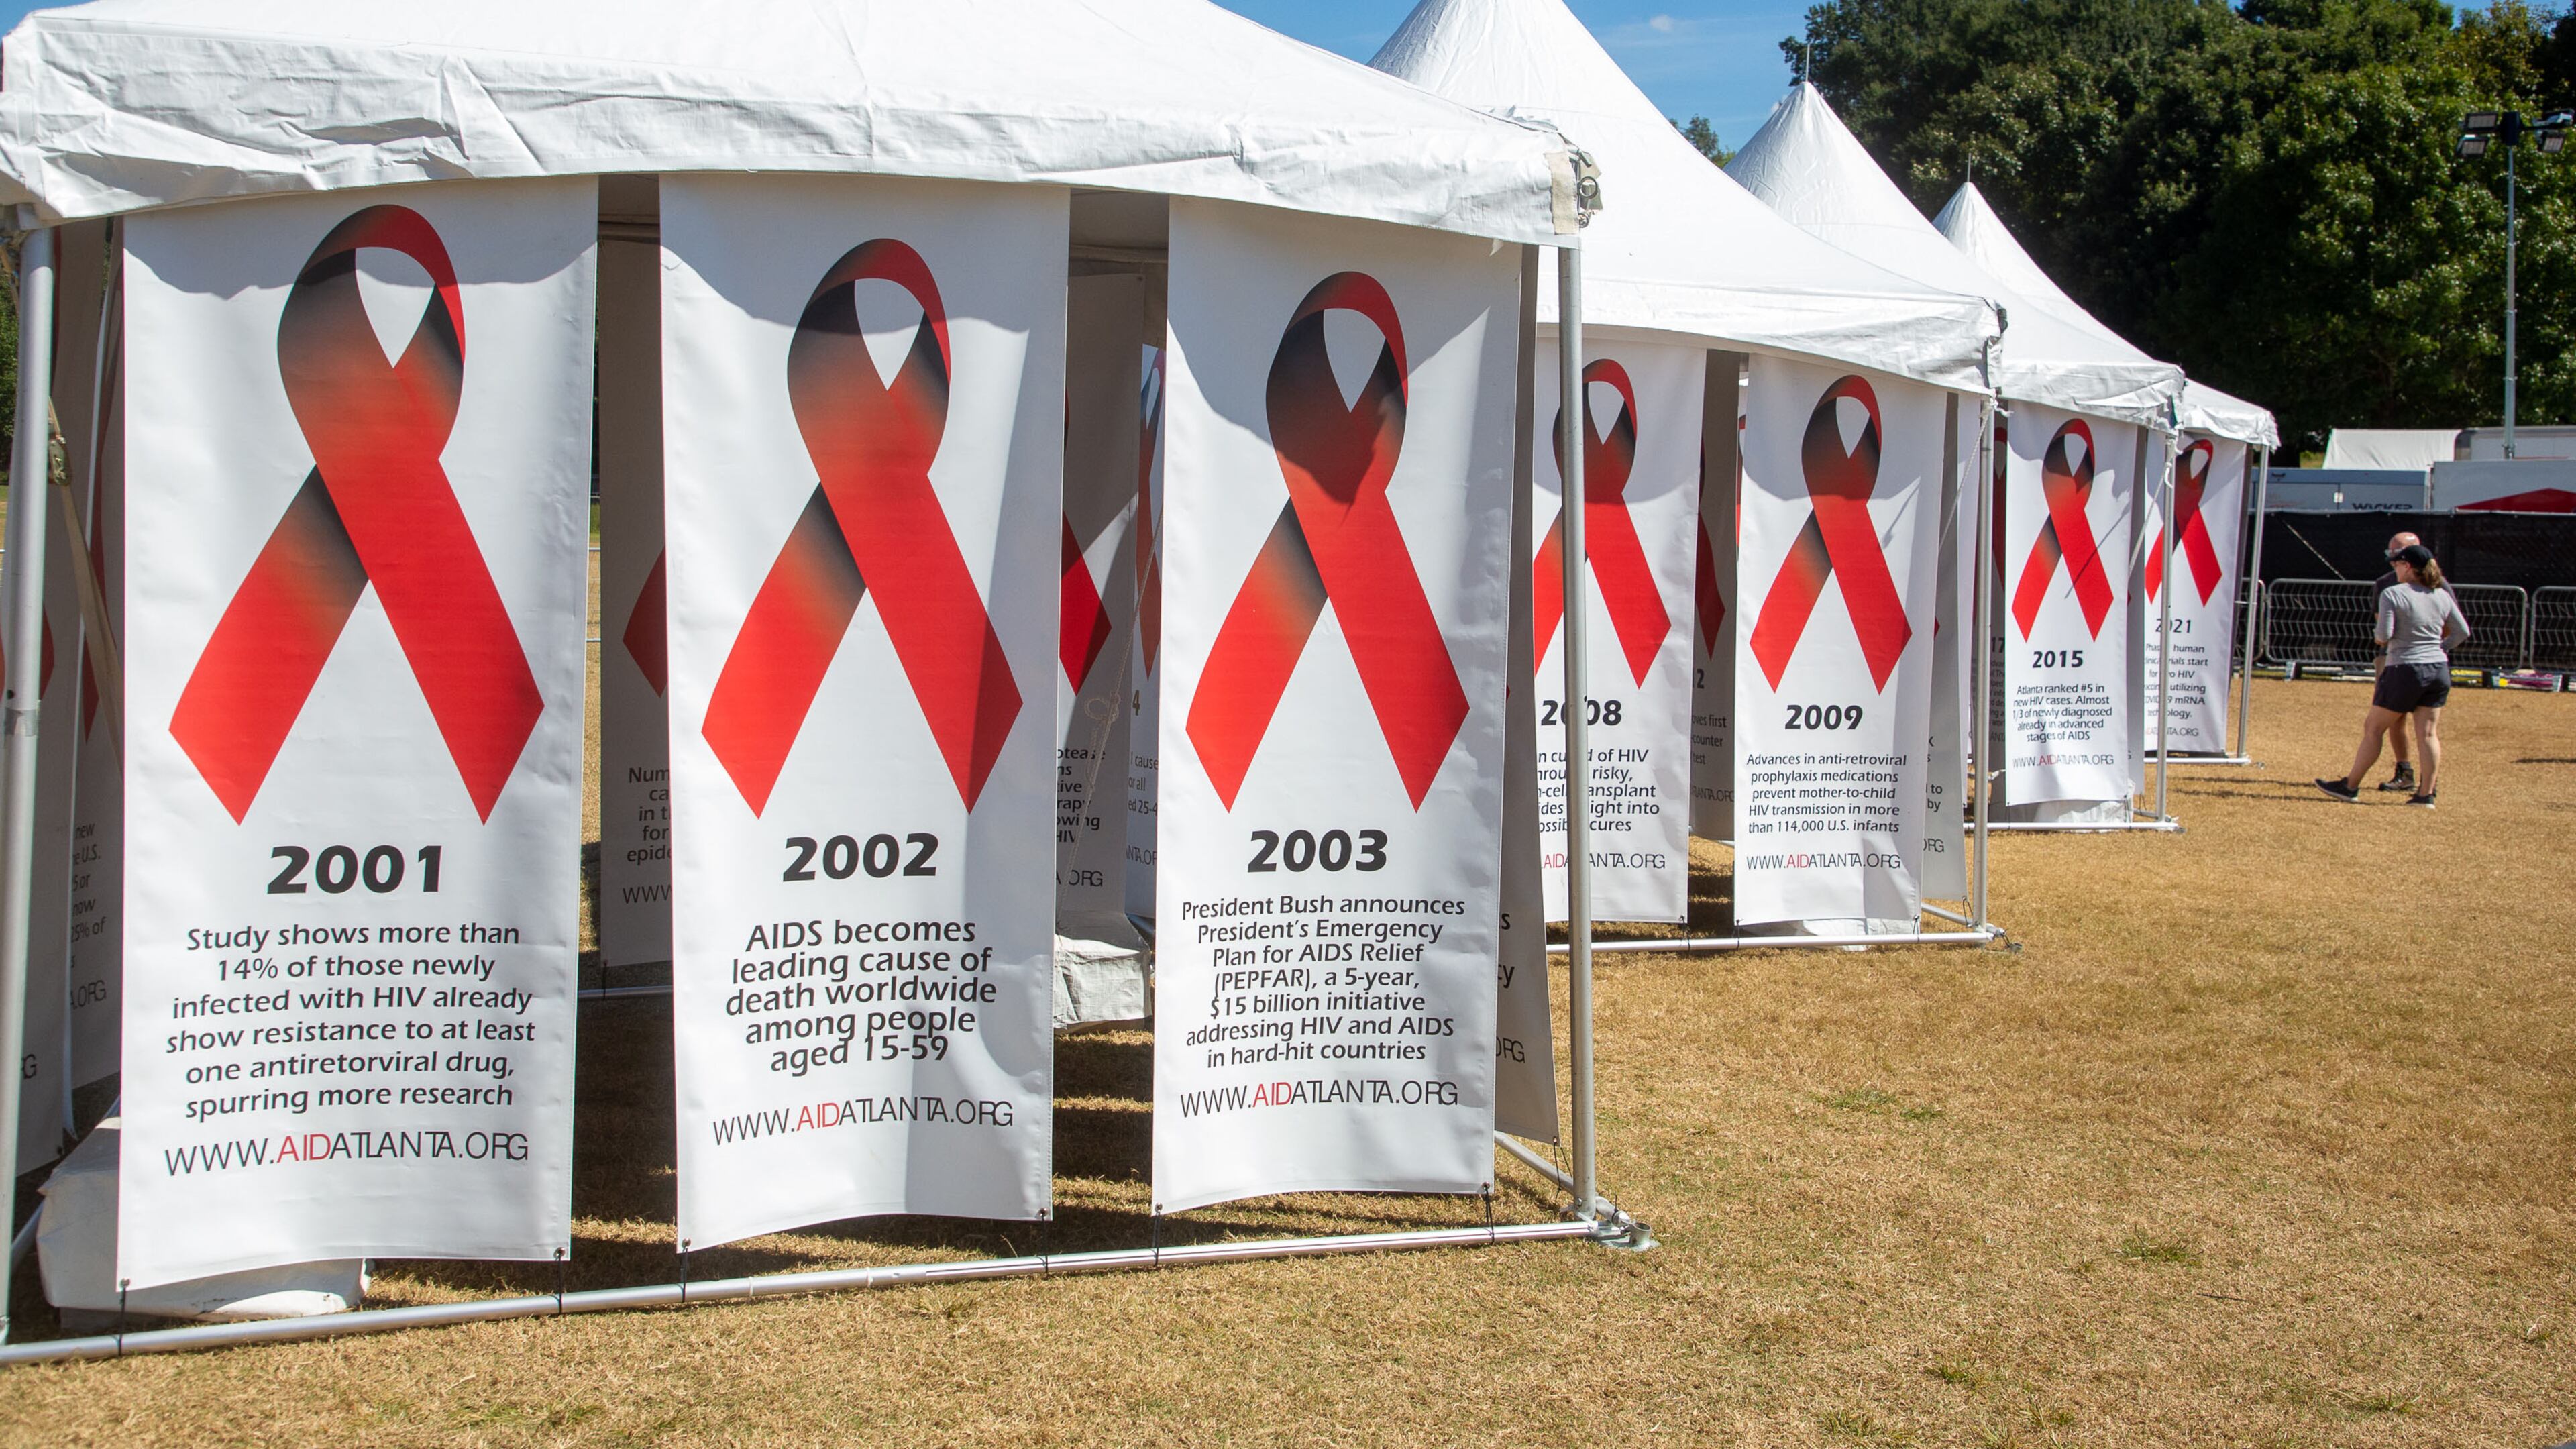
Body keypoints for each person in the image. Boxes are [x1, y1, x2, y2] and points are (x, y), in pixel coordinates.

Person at [2317, 544, 2466, 808]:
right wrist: (2439, 648)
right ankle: (2426, 794)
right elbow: (2462, 631)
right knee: (2429, 734)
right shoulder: (2441, 594)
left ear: (2407, 567)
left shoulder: (2394, 594)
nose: (2394, 568)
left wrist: (2386, 637)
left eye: (2397, 564)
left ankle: (2350, 786)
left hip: (2404, 668)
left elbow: (2383, 636)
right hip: (2438, 669)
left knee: (2374, 729)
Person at [2369, 531, 2423, 792]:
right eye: (2390, 554)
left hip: (2418, 661)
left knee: (2426, 724)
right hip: (2392, 659)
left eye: (2397, 555)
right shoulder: (2385, 584)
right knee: (2393, 719)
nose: (2392, 560)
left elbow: (2452, 626)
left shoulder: (2437, 584)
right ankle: (2406, 770)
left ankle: (2428, 785)